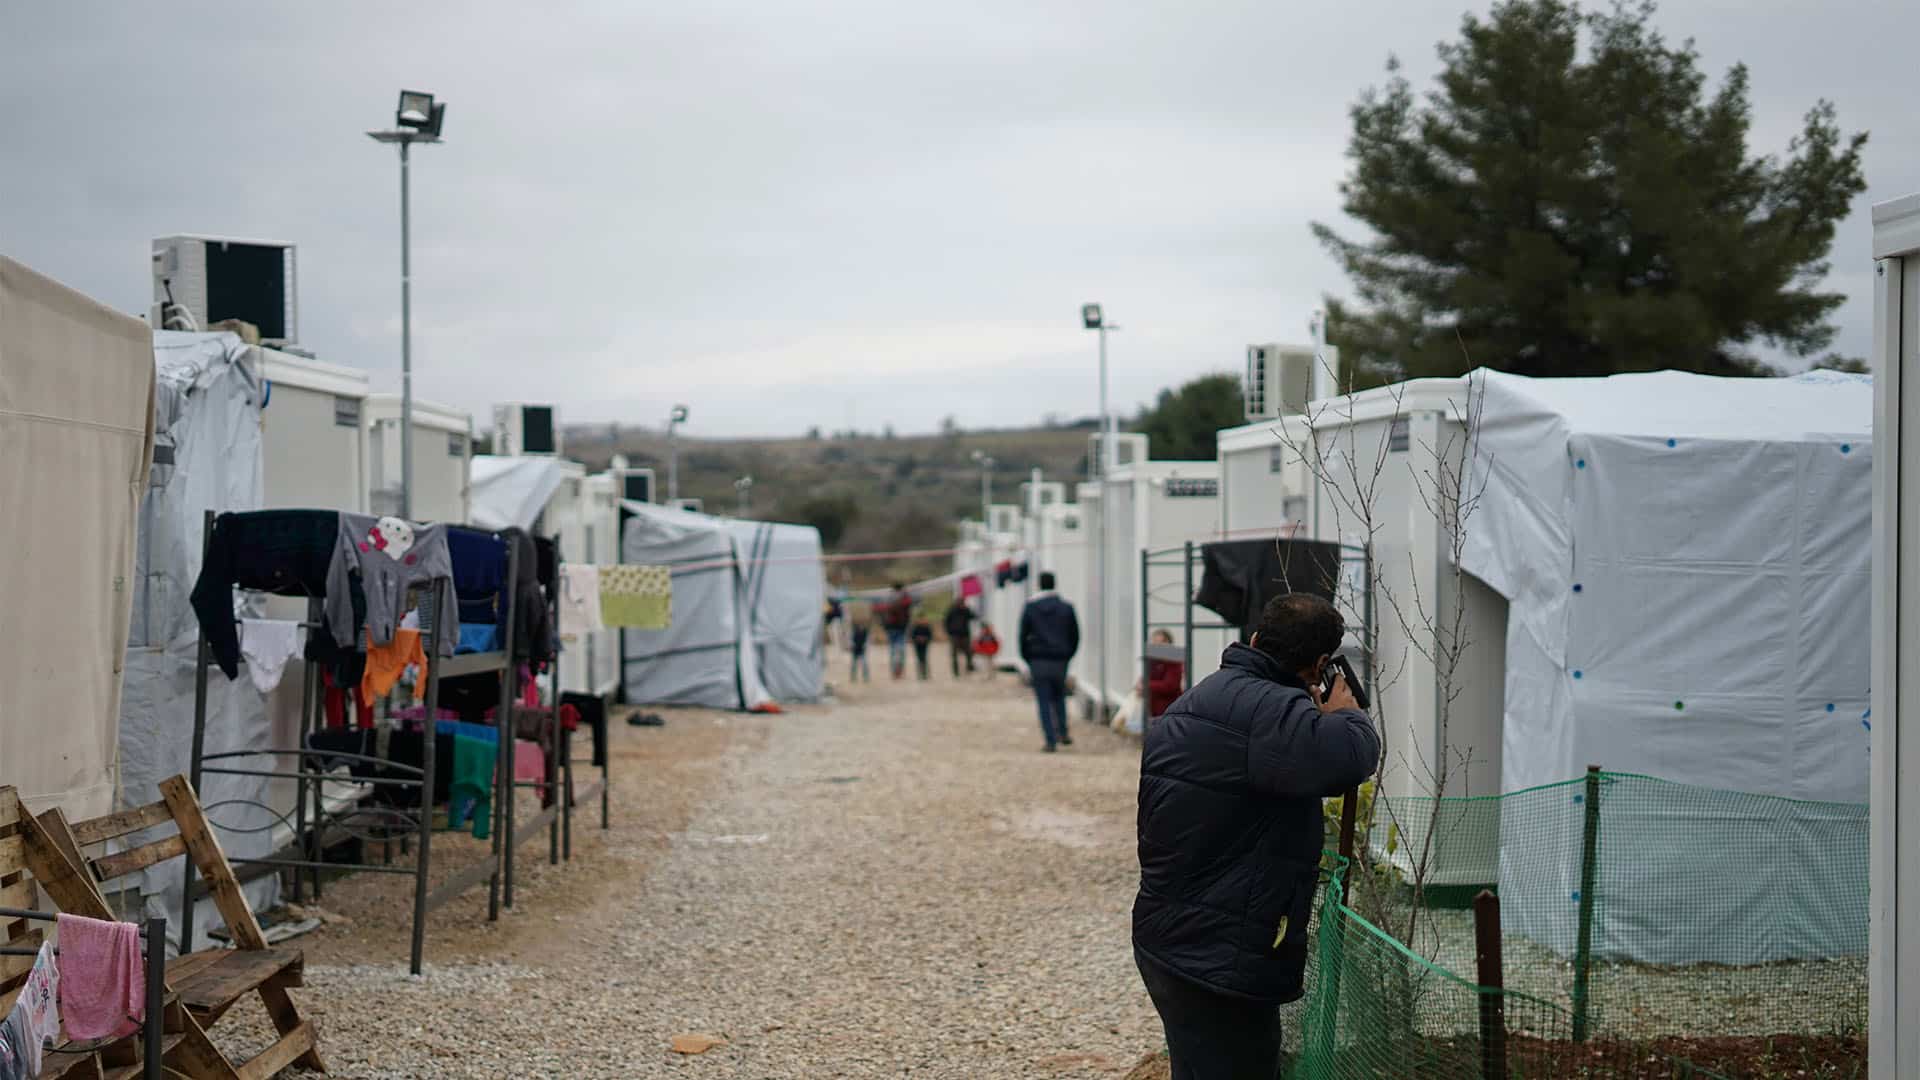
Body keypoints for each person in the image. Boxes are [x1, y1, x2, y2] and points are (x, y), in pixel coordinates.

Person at [1133, 593, 1378, 1079]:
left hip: (1166, 933)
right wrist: (1346, 712)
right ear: (1322, 664)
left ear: (1256, 639)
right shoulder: (1273, 714)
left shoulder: (1201, 697)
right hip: (1220, 955)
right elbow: (1351, 756)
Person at [1018, 572, 1080, 752]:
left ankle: (1050, 740)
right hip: (1060, 659)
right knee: (1059, 696)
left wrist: (1028, 658)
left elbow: (1022, 636)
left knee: (1043, 700)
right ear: (1055, 584)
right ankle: (1063, 731)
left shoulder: (1031, 607)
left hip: (1038, 658)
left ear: (1039, 584)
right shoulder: (1066, 608)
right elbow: (1075, 635)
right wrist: (1068, 655)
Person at [1139, 628, 1185, 723]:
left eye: (1159, 643)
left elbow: (1170, 686)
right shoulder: (1153, 660)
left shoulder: (1173, 661)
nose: (1156, 646)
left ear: (1168, 644)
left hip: (1168, 709)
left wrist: (1147, 685)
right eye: (1154, 643)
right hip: (1154, 709)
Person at [880, 582, 914, 680]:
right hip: (901, 627)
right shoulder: (904, 598)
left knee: (892, 650)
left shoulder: (888, 598)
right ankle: (899, 671)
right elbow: (909, 603)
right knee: (900, 650)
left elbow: (882, 611)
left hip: (890, 627)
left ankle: (894, 672)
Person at [944, 599, 977, 677]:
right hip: (955, 635)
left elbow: (973, 617)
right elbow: (946, 621)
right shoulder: (952, 610)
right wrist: (949, 632)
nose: (961, 604)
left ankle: (969, 666)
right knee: (954, 654)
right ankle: (956, 671)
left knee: (969, 652)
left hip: (965, 634)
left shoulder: (966, 610)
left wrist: (969, 609)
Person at [848, 613, 872, 683]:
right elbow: (851, 640)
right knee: (854, 665)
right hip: (855, 650)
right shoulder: (854, 632)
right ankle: (853, 677)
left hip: (862, 650)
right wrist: (851, 645)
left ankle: (866, 677)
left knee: (864, 664)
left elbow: (867, 641)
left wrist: (866, 646)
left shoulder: (865, 632)